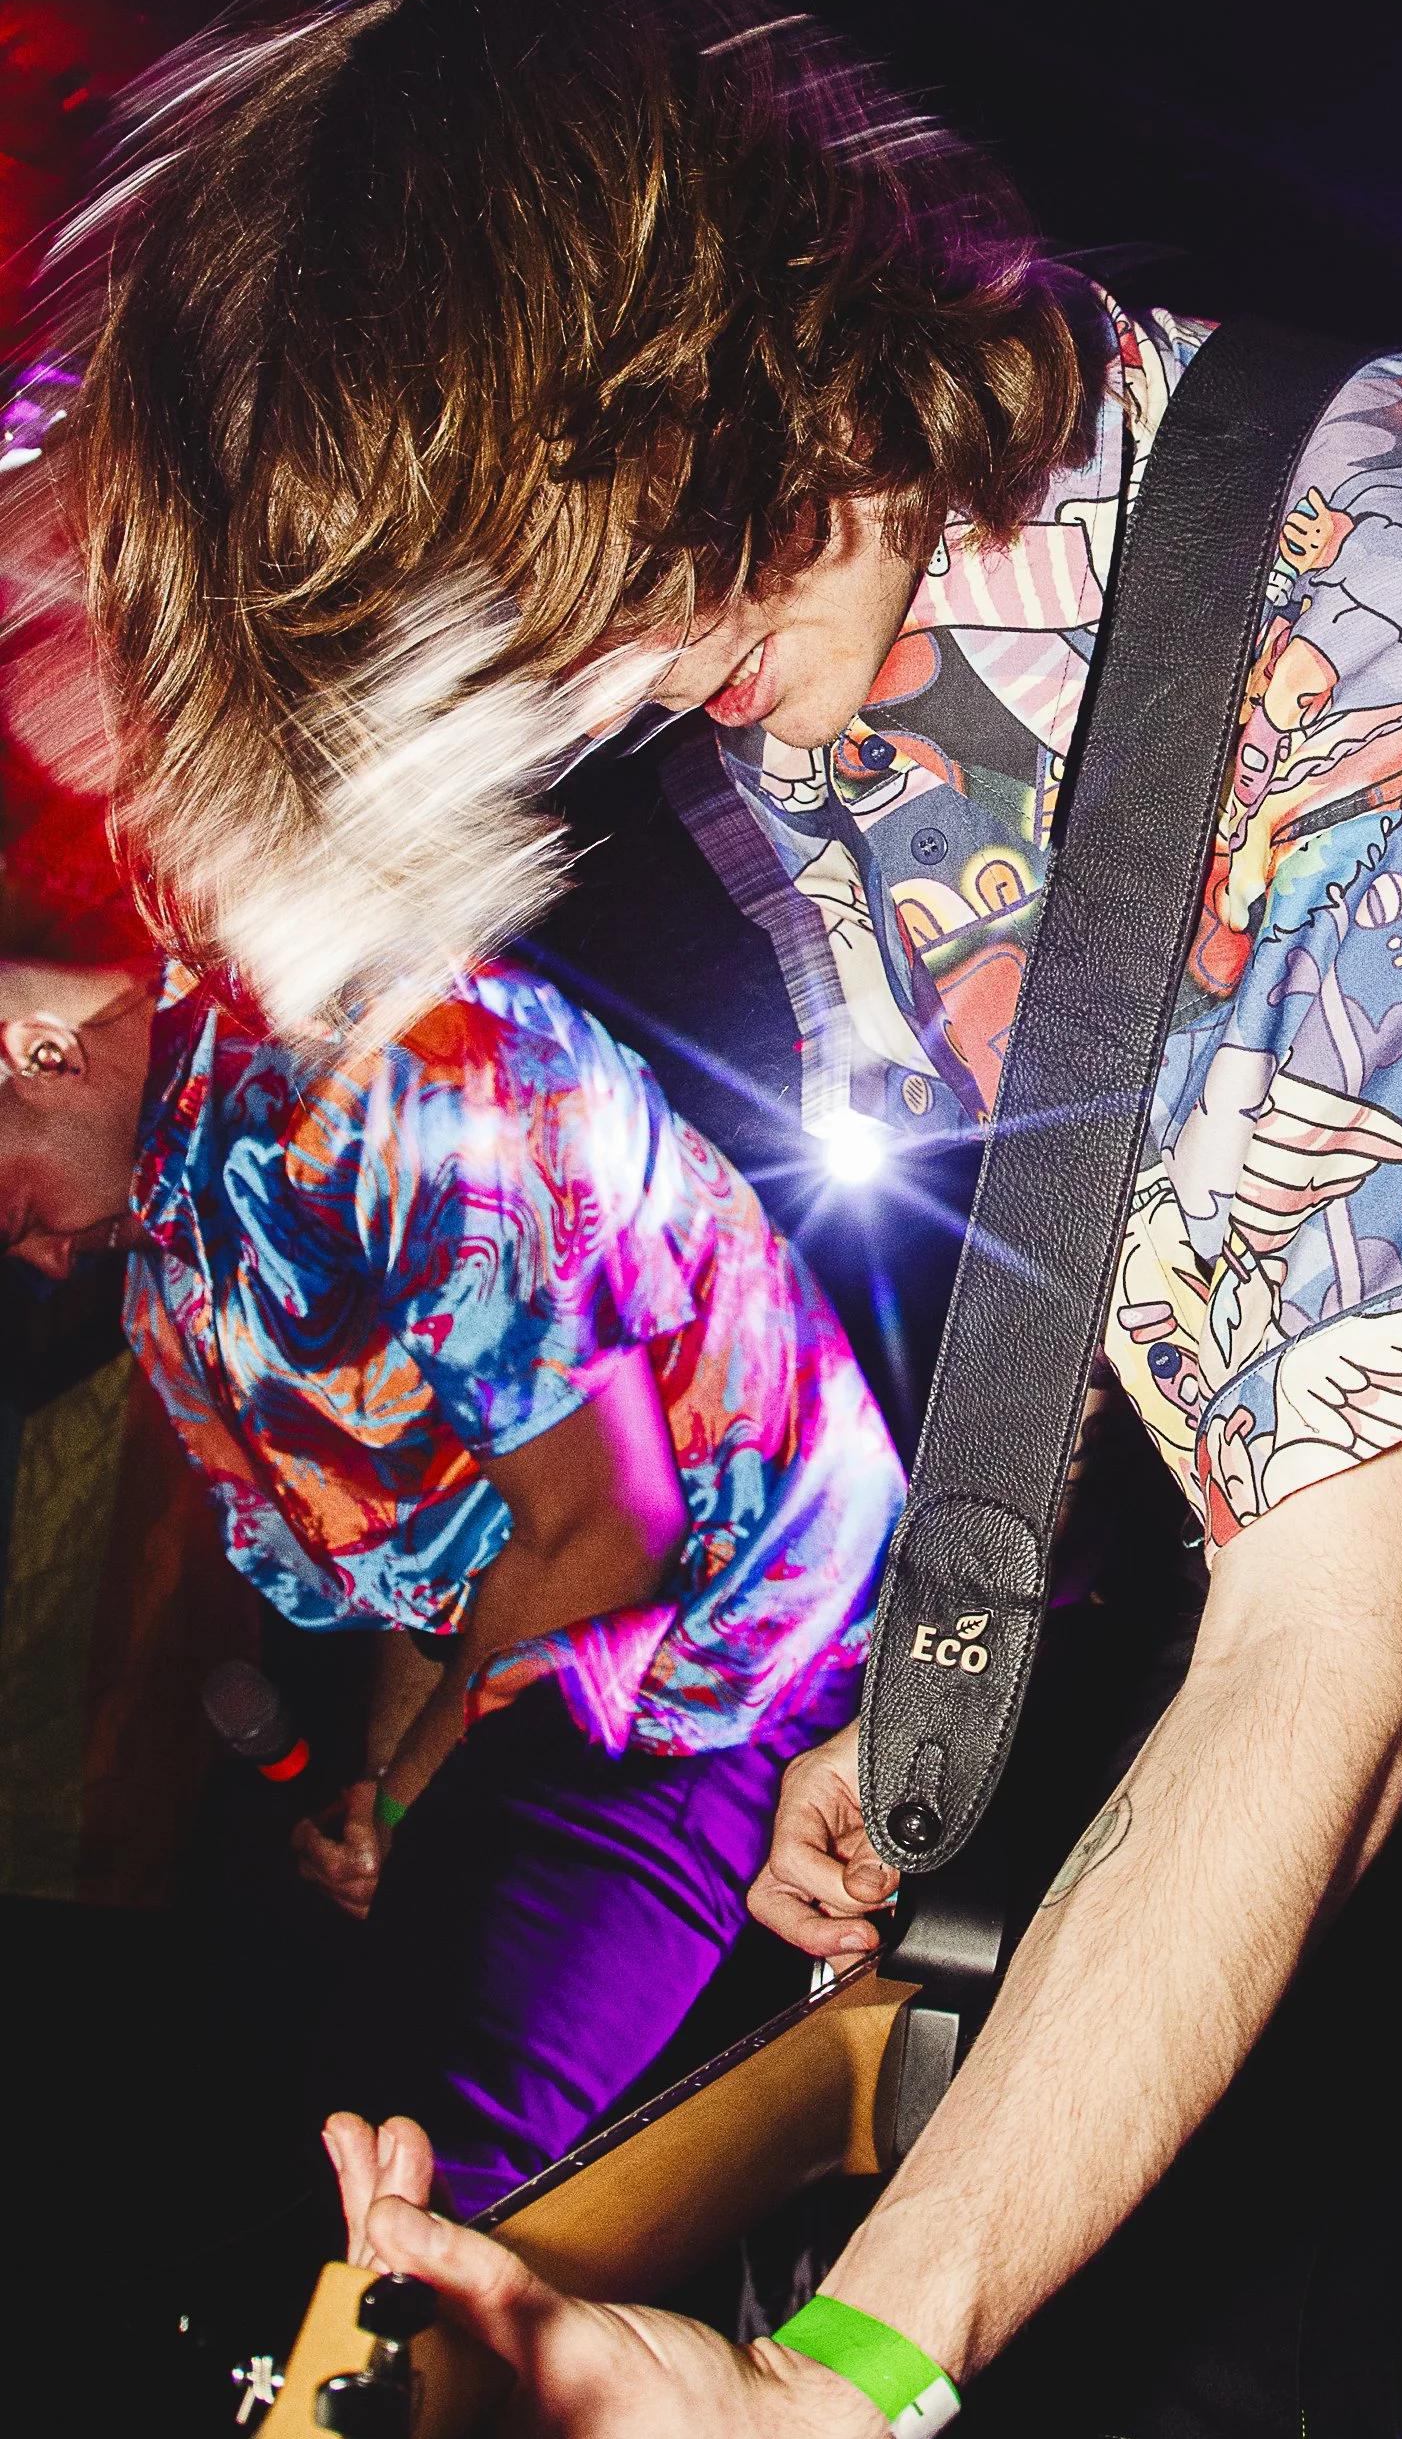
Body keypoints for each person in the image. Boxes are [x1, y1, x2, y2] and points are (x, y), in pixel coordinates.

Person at [21, 0, 1402, 2439]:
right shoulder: (871, 665)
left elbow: (1345, 1652)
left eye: (598, 577)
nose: (623, 689)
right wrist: (947, 1666)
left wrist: (840, 2382)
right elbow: (1132, 1247)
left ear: (737, 336)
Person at [0, 943, 904, 2223]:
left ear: (42, 1055)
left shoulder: (376, 1075)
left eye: (14, 1213)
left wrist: (418, 1799)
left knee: (416, 2196)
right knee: (347, 2162)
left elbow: (601, 1530)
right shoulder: (170, 1252)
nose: (37, 1261)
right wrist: (383, 1794)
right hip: (573, 1690)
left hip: (724, 1665)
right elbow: (445, 1564)